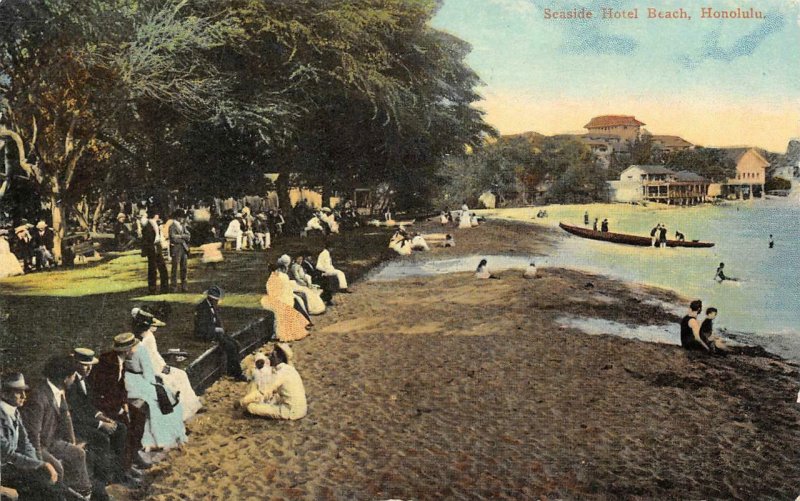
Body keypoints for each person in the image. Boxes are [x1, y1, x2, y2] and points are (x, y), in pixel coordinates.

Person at [21, 356, 94, 499]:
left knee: (79, 453)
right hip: (38, 446)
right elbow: (32, 435)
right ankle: (63, 496)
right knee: (58, 469)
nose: (74, 379)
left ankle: (83, 493)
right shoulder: (39, 397)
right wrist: (40, 462)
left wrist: (72, 443)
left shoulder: (58, 390)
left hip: (51, 441)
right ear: (66, 378)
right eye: (73, 376)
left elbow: (67, 420)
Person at [67, 348, 134, 488]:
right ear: (75, 364)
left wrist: (101, 416)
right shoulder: (70, 382)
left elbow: (88, 405)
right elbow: (75, 413)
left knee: (120, 428)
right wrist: (100, 424)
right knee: (101, 438)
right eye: (85, 364)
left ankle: (119, 473)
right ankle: (102, 479)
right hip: (74, 424)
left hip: (86, 419)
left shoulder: (84, 379)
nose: (89, 368)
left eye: (91, 364)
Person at [88, 337, 149, 472]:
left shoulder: (119, 361)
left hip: (114, 402)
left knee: (139, 415)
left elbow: (121, 387)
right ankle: (125, 465)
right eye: (134, 347)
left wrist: (124, 403)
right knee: (125, 425)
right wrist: (119, 409)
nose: (135, 350)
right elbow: (104, 393)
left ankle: (134, 454)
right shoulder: (110, 365)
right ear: (127, 351)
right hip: (102, 405)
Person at [0, 372, 64, 500]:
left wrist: (38, 465)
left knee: (49, 485)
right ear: (4, 393)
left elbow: (26, 444)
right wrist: (41, 465)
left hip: (12, 466)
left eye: (24, 391)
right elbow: (7, 453)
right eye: (18, 392)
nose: (24, 396)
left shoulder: (15, 412)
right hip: (4, 471)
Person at [120, 333, 187, 451]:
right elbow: (149, 375)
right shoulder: (140, 351)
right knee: (164, 393)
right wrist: (156, 380)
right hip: (140, 382)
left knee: (157, 395)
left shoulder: (120, 355)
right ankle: (164, 437)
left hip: (128, 382)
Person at [132, 308, 202, 420]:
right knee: (172, 381)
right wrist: (162, 369)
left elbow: (155, 355)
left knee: (181, 374)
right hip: (151, 371)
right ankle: (183, 414)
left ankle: (192, 405)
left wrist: (164, 365)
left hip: (158, 366)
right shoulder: (142, 342)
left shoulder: (148, 336)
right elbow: (147, 361)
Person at [243, 344, 307, 421]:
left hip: (291, 412)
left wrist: (242, 401)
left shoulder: (280, 373)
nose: (270, 357)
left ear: (278, 357)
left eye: (272, 354)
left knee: (251, 407)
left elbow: (263, 392)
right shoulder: (289, 369)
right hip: (302, 408)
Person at [194, 286, 246, 381]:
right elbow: (201, 327)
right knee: (231, 346)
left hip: (215, 332)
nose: (217, 303)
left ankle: (231, 369)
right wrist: (216, 330)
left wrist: (221, 329)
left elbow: (216, 320)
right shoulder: (202, 308)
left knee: (236, 344)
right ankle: (237, 374)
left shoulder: (212, 306)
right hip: (207, 334)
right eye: (216, 300)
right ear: (211, 299)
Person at [261, 266, 310, 342]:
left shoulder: (273, 278)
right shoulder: (283, 276)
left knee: (273, 307)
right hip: (287, 299)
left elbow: (272, 292)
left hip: (281, 300)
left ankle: (281, 333)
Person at [141, 208, 169, 294]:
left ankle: (164, 288)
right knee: (152, 269)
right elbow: (147, 239)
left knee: (162, 268)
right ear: (155, 215)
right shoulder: (148, 225)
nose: (158, 216)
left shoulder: (155, 224)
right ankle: (152, 289)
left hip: (157, 247)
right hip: (152, 248)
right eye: (157, 214)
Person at [168, 209, 191, 292]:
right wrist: (182, 237)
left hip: (184, 248)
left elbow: (189, 236)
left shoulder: (183, 226)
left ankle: (184, 286)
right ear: (177, 217)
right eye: (181, 217)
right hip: (176, 249)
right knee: (175, 268)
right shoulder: (172, 226)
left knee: (184, 268)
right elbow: (173, 238)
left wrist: (180, 236)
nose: (182, 219)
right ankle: (173, 287)